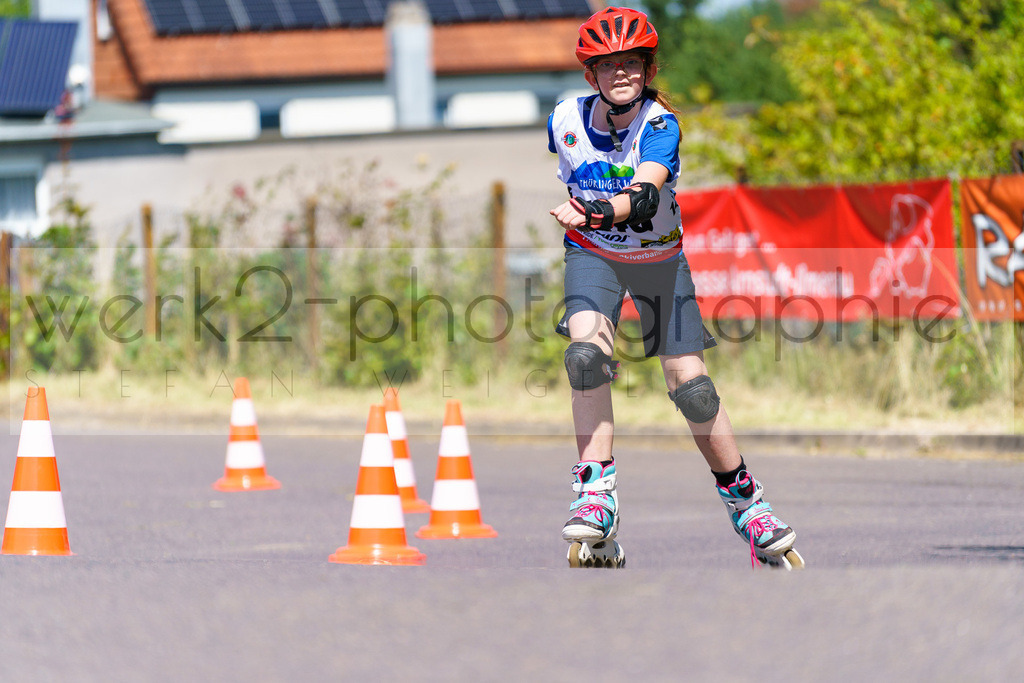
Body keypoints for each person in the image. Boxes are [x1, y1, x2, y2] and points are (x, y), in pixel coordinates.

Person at [547, 6, 803, 569]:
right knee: (586, 356)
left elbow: (643, 195)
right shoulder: (564, 118)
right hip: (594, 256)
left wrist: (592, 208)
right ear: (591, 75)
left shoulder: (659, 123)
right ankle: (595, 493)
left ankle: (748, 505)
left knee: (693, 388)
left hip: (659, 260)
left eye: (632, 63)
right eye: (608, 65)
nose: (621, 74)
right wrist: (589, 223)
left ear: (647, 68)